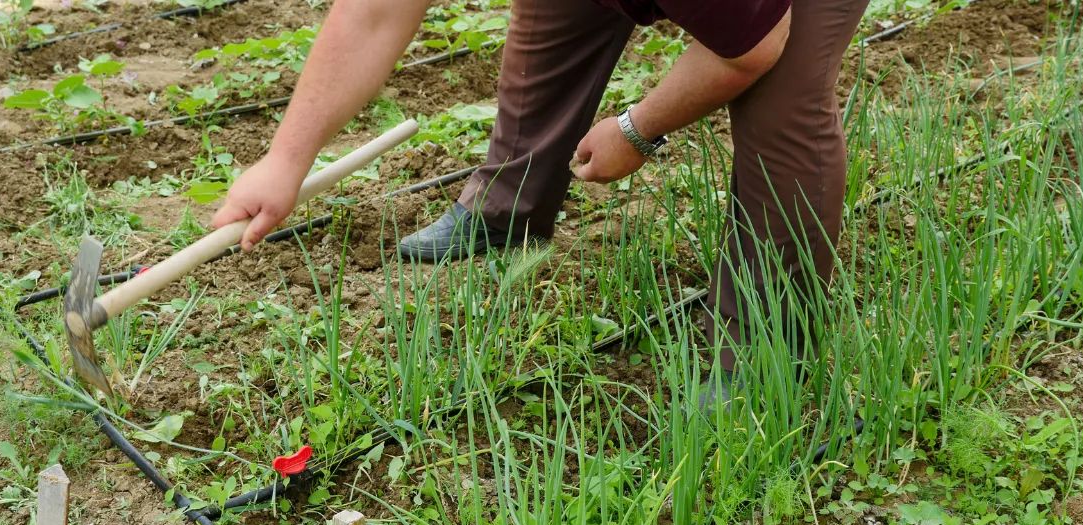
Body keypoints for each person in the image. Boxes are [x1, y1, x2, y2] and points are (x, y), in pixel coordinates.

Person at [212, 0, 870, 405]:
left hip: (761, 33)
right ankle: (508, 209)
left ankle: (763, 352)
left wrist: (637, 129)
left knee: (784, 97)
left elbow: (751, 48)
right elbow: (374, 11)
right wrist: (286, 159)